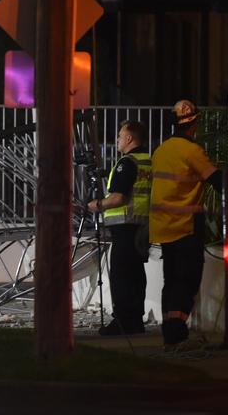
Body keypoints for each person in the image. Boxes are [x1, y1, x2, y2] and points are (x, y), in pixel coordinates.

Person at [149, 100, 222, 350]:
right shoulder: (192, 151)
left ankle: (170, 332)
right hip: (187, 226)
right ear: (194, 124)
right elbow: (215, 179)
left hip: (163, 227)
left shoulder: (161, 150)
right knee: (187, 280)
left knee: (171, 280)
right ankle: (177, 333)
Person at [88, 120, 151, 335]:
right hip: (142, 227)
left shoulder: (127, 163)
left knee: (121, 276)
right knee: (135, 274)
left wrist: (96, 205)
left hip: (126, 227)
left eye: (119, 135)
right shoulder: (148, 161)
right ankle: (135, 321)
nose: (117, 139)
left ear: (129, 139)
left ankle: (123, 322)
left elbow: (117, 198)